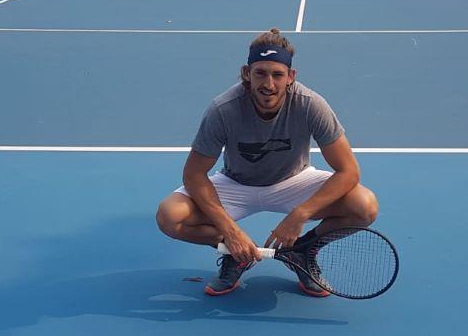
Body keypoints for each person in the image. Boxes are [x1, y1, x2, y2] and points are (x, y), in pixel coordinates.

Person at [155, 28, 379, 297]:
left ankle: (301, 252)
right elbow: (193, 174)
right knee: (170, 216)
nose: (268, 84)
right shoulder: (223, 109)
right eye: (260, 73)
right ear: (247, 74)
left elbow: (349, 170)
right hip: (236, 183)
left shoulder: (311, 105)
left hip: (294, 181)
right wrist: (230, 231)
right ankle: (235, 253)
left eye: (277, 75)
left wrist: (300, 215)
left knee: (364, 207)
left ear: (291, 77)